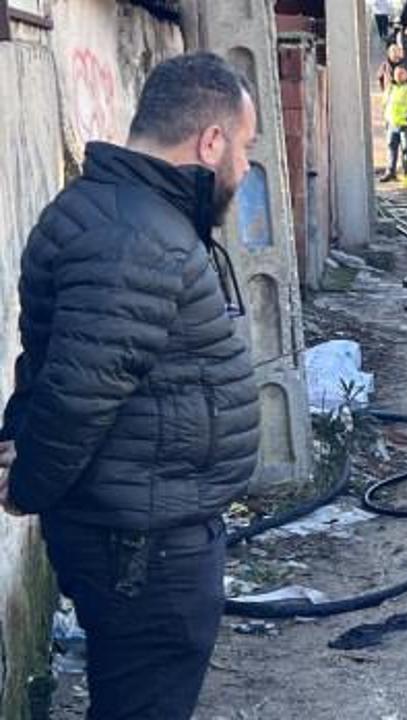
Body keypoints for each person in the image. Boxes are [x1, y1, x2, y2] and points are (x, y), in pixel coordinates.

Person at [0, 52, 260, 720]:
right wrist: (25, 479)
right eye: (245, 147)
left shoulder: (119, 213)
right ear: (210, 141)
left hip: (142, 529)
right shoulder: (136, 234)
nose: (244, 167)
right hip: (143, 547)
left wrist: (23, 451)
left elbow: (62, 364)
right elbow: (77, 392)